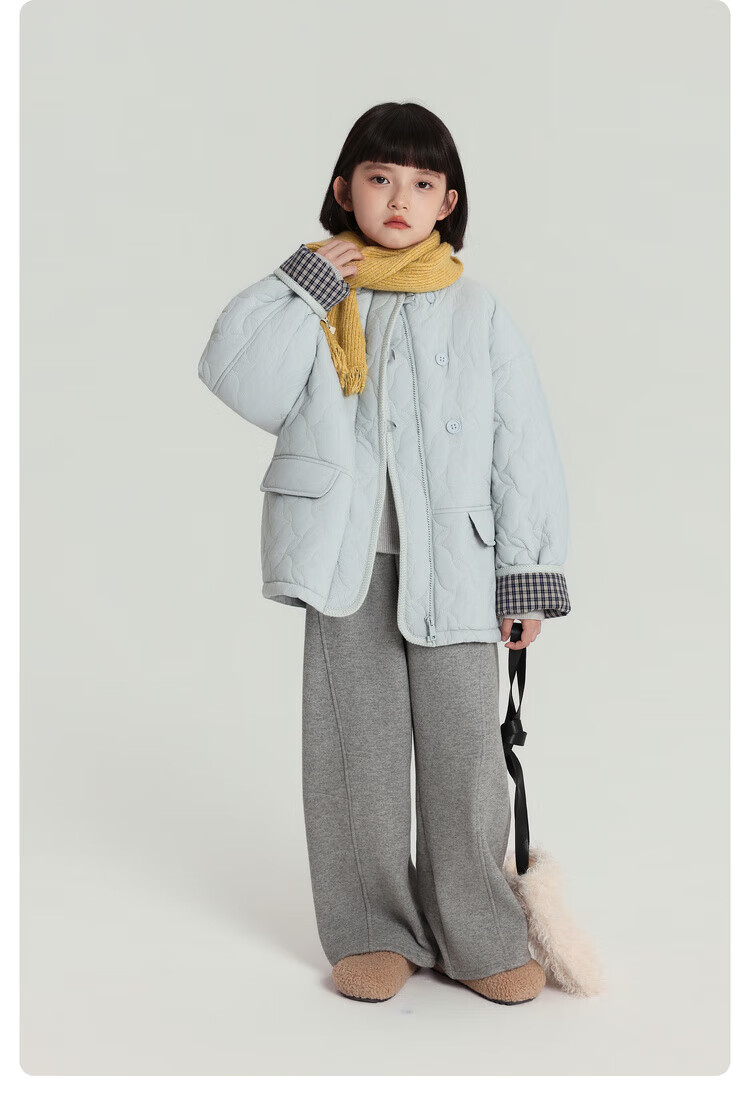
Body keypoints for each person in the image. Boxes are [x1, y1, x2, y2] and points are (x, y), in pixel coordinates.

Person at [197, 101, 571, 1006]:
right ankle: (371, 928)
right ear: (344, 189)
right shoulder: (319, 298)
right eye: (379, 177)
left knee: (465, 759)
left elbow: (522, 447)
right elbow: (239, 378)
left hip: (460, 567)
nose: (399, 198)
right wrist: (298, 285)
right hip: (345, 562)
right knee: (352, 757)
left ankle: (480, 932)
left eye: (421, 182)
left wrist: (524, 578)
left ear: (448, 202)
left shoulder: (476, 309)